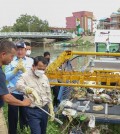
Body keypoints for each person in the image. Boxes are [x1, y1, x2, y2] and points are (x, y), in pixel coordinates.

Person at [16, 56, 54, 134]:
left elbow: (48, 93)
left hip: (44, 109)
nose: (41, 71)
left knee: (43, 131)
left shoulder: (44, 77)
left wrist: (51, 107)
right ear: (33, 66)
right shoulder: (25, 76)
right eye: (39, 68)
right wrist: (27, 89)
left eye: (44, 69)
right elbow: (18, 85)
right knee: (36, 132)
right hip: (32, 111)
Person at [0, 40, 31, 134]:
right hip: (12, 92)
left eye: (22, 49)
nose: (12, 58)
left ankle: (23, 130)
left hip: (25, 92)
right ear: (3, 54)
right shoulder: (3, 70)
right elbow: (6, 97)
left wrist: (24, 70)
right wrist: (23, 103)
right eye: (11, 56)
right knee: (12, 118)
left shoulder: (31, 61)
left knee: (24, 117)